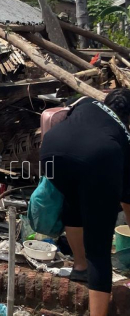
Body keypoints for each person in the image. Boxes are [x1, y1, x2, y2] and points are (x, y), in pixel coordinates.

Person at [38, 90, 130, 316]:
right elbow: (127, 198)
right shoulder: (123, 136)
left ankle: (79, 266)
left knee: (74, 200)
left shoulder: (86, 102)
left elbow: (57, 114)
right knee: (98, 247)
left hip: (50, 151)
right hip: (97, 158)